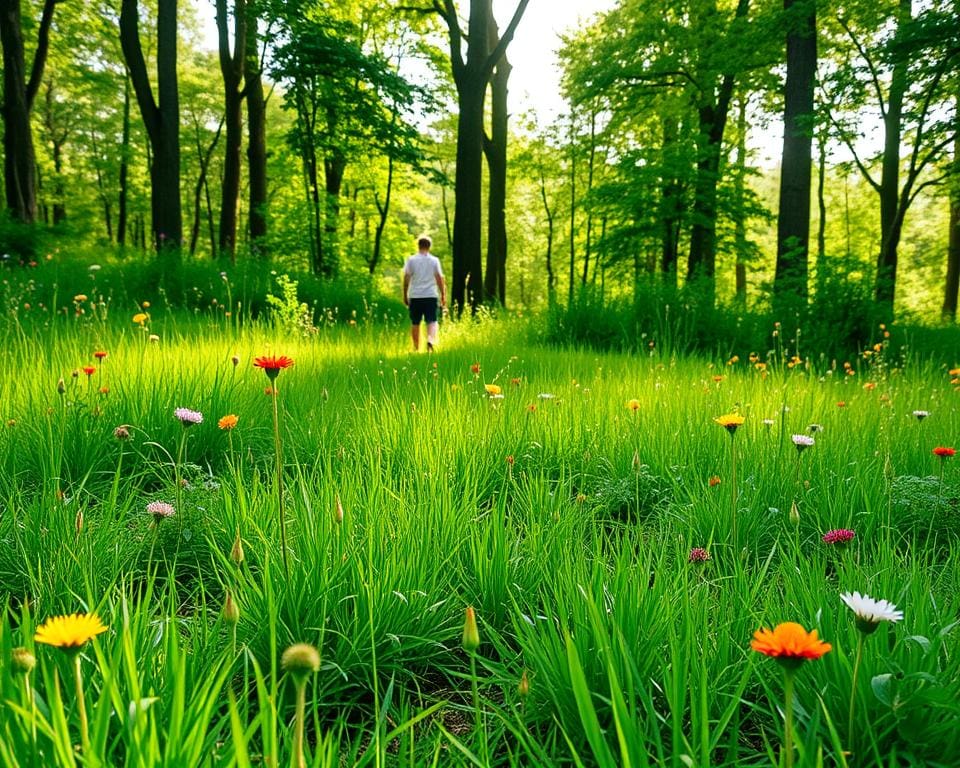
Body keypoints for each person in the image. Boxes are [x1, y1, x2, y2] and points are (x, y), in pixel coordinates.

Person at [402, 236, 446, 352]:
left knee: (415, 322)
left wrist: (405, 294)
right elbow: (439, 279)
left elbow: (406, 278)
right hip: (431, 295)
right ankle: (430, 341)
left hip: (415, 296)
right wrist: (443, 295)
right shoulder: (434, 260)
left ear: (418, 246)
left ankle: (416, 348)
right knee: (431, 320)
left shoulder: (411, 260)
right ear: (429, 247)